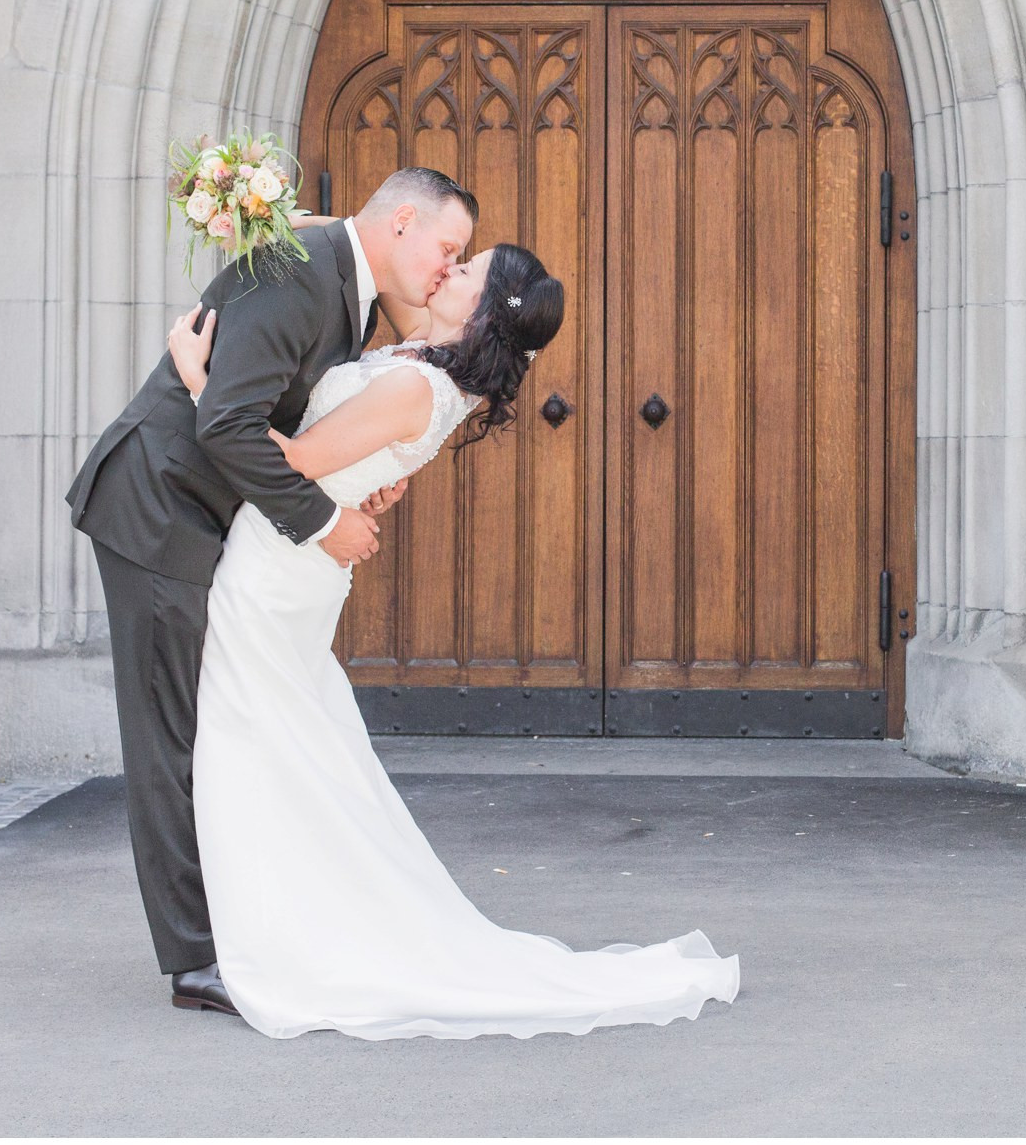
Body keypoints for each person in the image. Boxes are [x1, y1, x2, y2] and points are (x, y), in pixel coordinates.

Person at [169, 239, 742, 1040]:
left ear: (479, 309)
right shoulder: (422, 368)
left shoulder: (414, 383)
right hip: (295, 559)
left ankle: (279, 935)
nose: (451, 269)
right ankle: (283, 917)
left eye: (467, 270)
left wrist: (198, 376)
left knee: (250, 738)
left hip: (277, 570)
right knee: (285, 740)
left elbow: (292, 460)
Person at [64, 167, 471, 1013]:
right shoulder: (297, 270)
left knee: (208, 723)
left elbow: (288, 422)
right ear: (402, 221)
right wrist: (325, 522)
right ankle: (194, 960)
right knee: (169, 734)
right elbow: (227, 425)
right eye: (449, 248)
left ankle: (232, 927)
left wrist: (361, 482)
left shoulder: (349, 290)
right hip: (157, 507)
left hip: (204, 512)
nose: (447, 267)